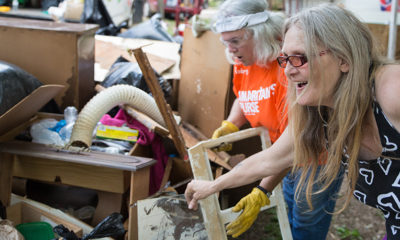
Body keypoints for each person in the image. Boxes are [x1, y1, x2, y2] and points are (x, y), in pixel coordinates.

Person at [185, 3, 400, 240]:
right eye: (285, 59)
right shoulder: (322, 113)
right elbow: (270, 159)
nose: (287, 71)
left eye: (299, 58)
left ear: (344, 58)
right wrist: (212, 186)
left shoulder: (389, 88)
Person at [209, 0, 343, 239]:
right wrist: (231, 123)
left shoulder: (289, 67)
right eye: (226, 42)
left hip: (315, 158)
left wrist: (263, 189)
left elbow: (295, 143)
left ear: (259, 34)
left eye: (236, 40)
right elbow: (244, 94)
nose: (230, 49)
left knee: (306, 221)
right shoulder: (245, 61)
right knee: (292, 209)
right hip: (283, 154)